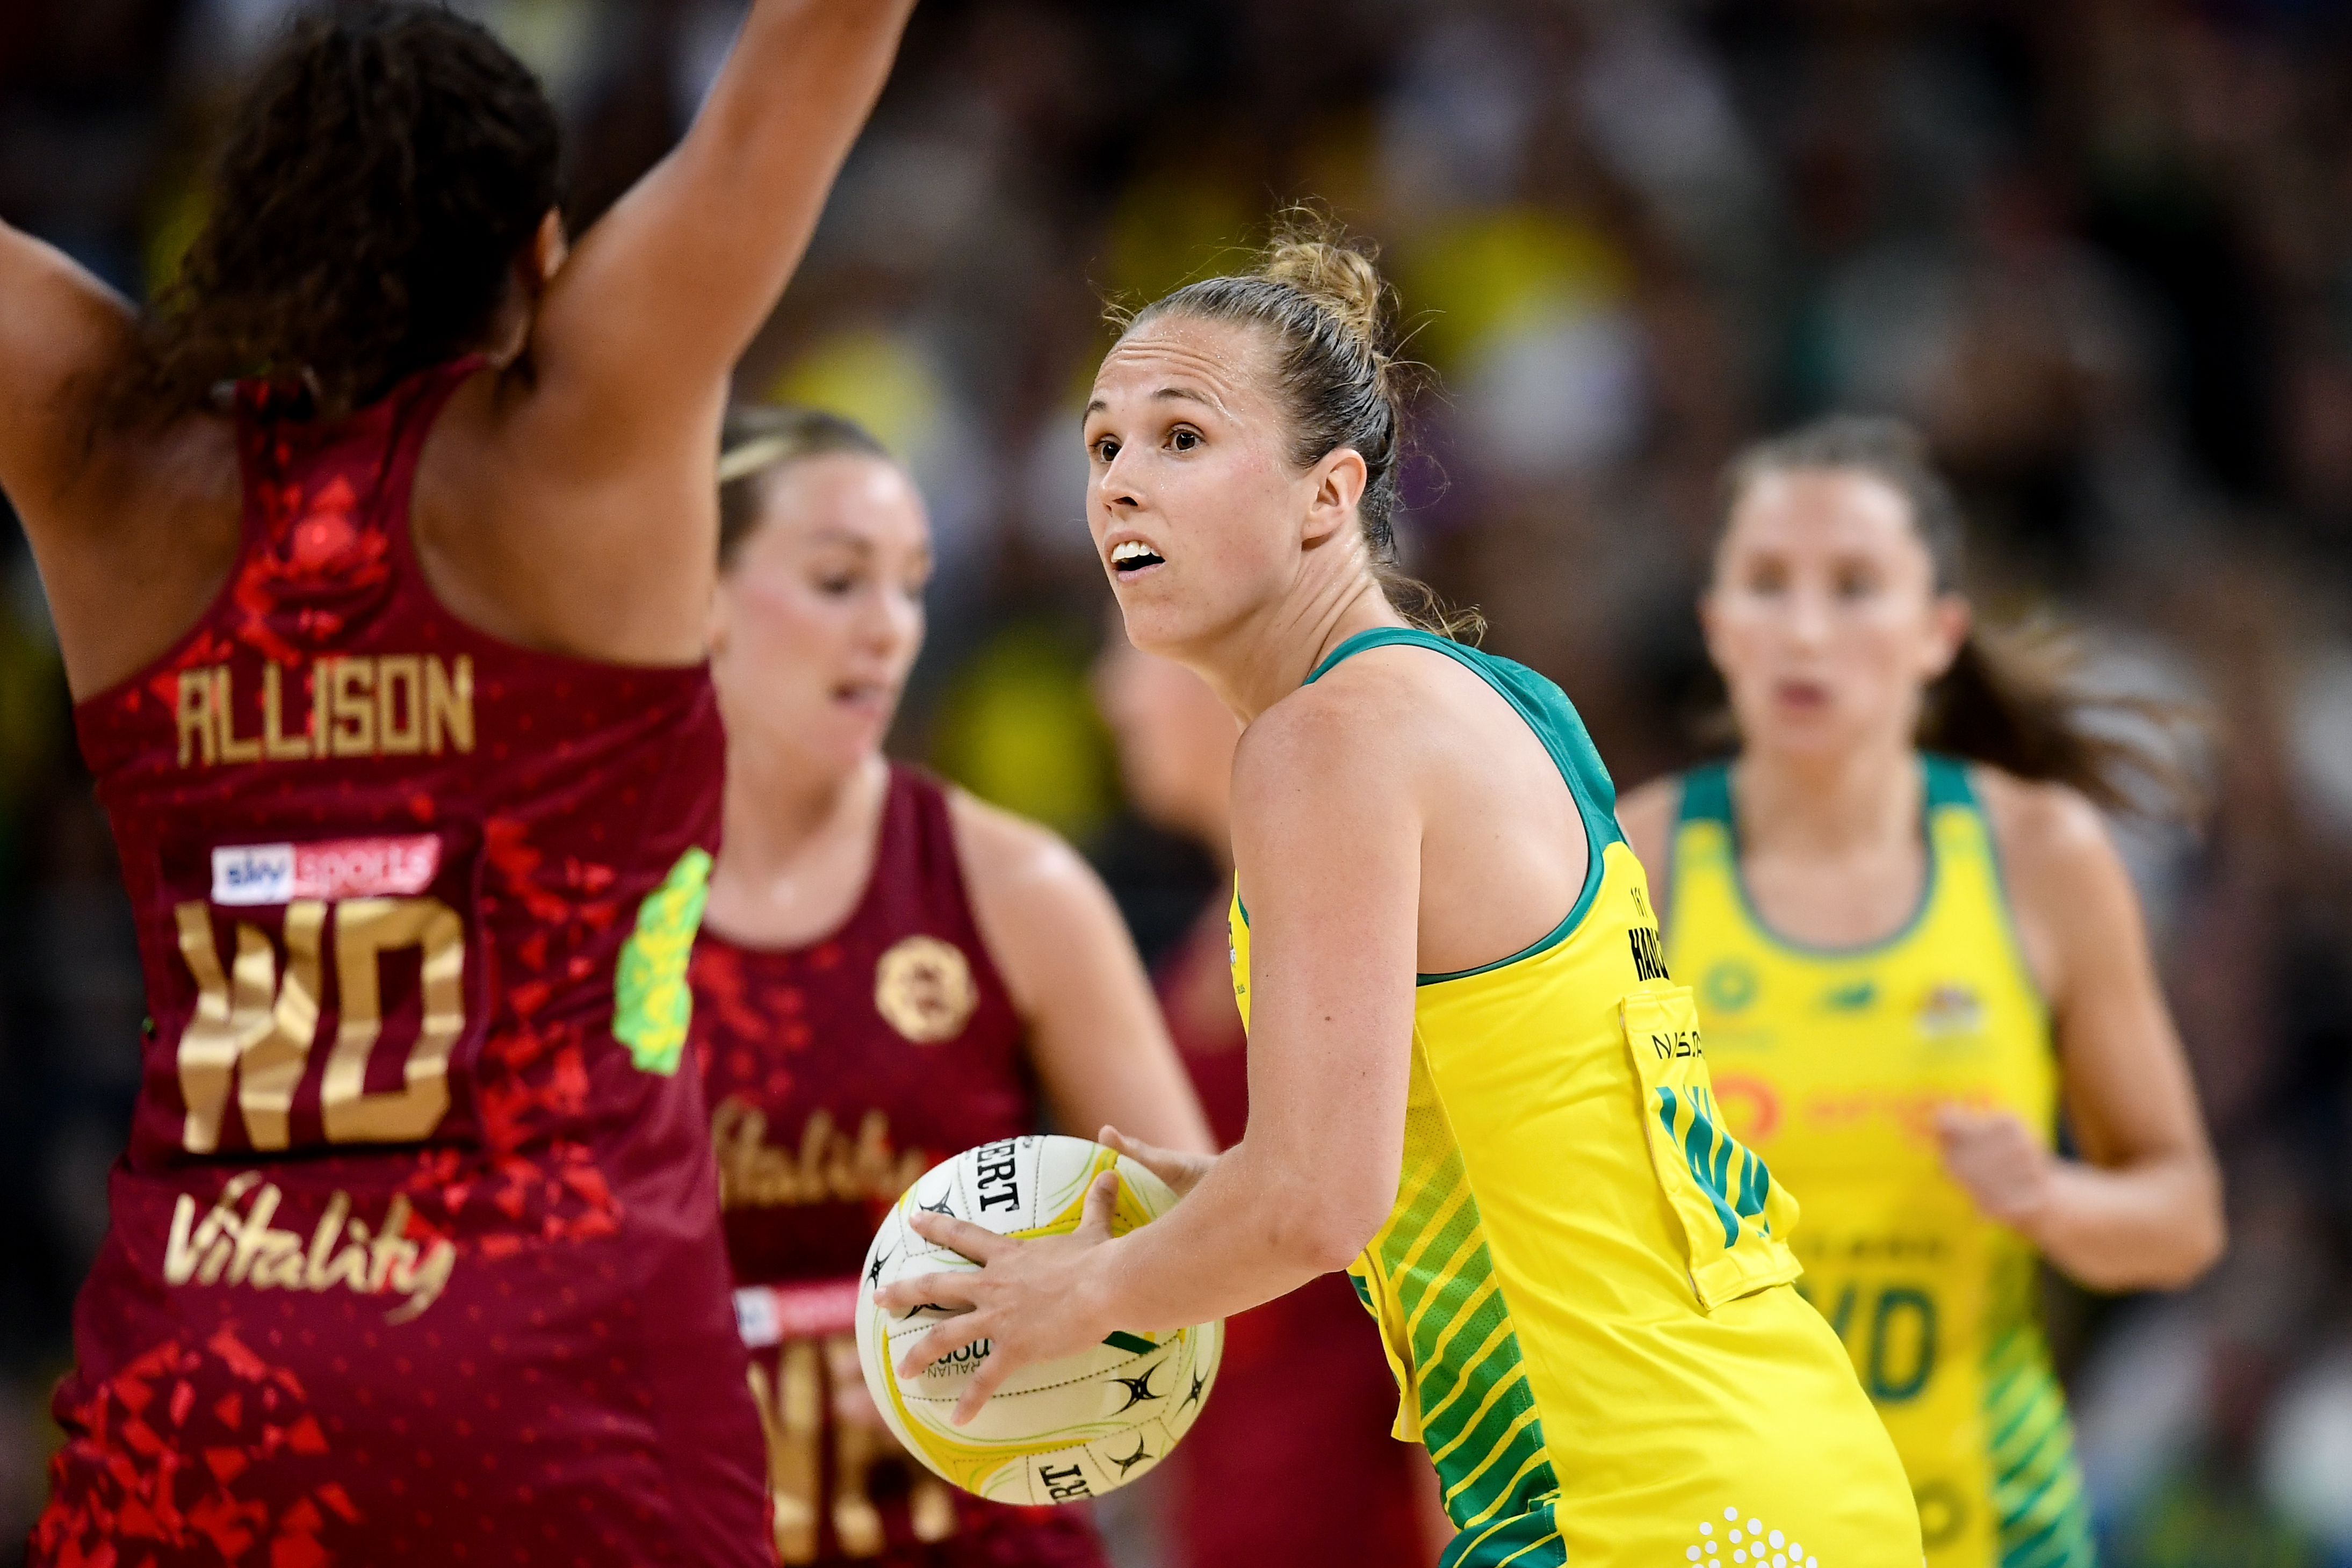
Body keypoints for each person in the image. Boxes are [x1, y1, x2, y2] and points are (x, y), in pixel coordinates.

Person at [0, 3, 913, 1563]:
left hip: (207, 1386)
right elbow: (800, 73)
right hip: (564, 1378)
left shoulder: (117, 472)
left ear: (243, 234)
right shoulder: (585, 442)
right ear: (543, 255)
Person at [877, 219, 1925, 1568]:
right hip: (1764, 1458)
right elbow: (1522, 1115)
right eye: (1101, 446)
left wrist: (1074, 1291)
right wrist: (1223, 1190)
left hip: (1646, 1499)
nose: (1122, 482)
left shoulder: (1323, 740)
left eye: (1180, 437)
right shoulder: (1500, 701)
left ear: (1327, 495)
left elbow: (1319, 1201)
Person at [1616, 415, 2225, 1568]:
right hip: (1720, 1528)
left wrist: (2048, 1197)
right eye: (1766, 584)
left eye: (1853, 586)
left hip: (1983, 1527)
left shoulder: (2039, 856)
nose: (1804, 630)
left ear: (1938, 631)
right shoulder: (1631, 869)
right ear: (1717, 624)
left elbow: (2181, 1218)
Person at [693, 407, 1214, 1567]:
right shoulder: (593, 898)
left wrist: (1057, 1316)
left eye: (912, 585)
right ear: (701, 594)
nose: (888, 627)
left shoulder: (1014, 886)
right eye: (838, 581)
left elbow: (1205, 1238)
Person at [1093, 622, 1444, 1568]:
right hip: (1236, 1509)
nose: (1106, 696)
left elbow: (1449, 1260)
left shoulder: (1356, 907)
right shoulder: (1218, 923)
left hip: (1376, 1519)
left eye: (1125, 658)